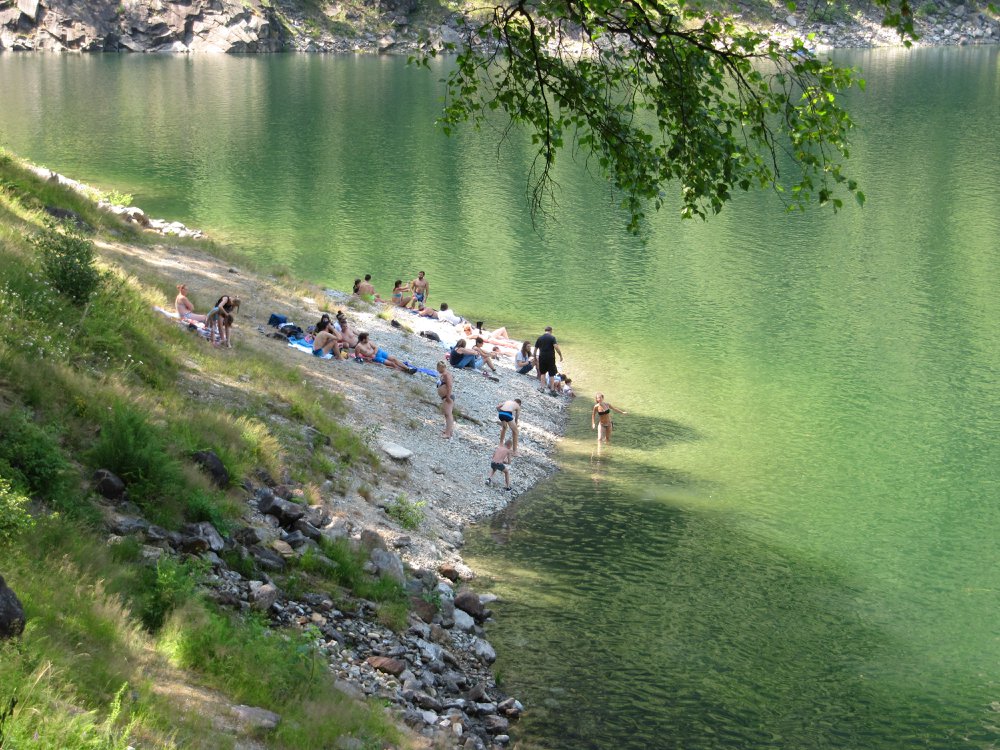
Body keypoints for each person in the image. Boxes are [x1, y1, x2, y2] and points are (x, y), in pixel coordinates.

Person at [533, 325, 563, 393]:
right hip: (550, 358)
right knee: (551, 374)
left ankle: (542, 388)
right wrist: (560, 355)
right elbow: (556, 347)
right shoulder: (552, 338)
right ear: (551, 331)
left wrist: (535, 357)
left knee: (543, 373)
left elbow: (535, 349)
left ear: (545, 331)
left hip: (542, 357)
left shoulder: (540, 338)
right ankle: (552, 389)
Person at [436, 360, 455, 439]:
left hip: (447, 397)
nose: (437, 370)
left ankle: (448, 433)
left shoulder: (447, 375)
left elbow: (449, 386)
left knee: (448, 414)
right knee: (446, 414)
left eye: (438, 368)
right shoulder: (443, 375)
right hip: (444, 397)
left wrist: (448, 397)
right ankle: (449, 430)